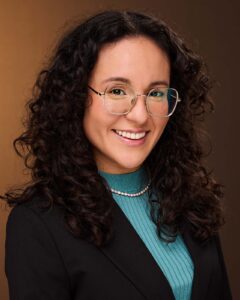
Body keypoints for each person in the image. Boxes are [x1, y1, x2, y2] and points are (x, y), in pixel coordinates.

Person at [1, 10, 232, 300]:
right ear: (75, 96)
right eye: (117, 91)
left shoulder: (189, 197)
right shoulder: (37, 225)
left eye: (156, 93)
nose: (139, 116)